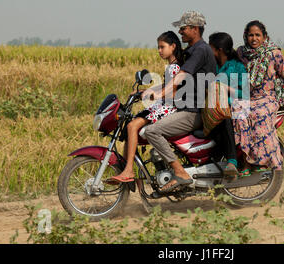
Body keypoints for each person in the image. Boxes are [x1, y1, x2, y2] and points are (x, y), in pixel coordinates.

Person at [143, 11, 217, 193]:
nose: (181, 31)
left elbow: (180, 78)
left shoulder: (200, 50)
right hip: (186, 108)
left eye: (183, 28)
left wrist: (160, 95)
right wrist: (149, 92)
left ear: (195, 29)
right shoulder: (191, 51)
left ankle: (180, 172)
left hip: (194, 111)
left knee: (151, 131)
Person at [106, 31, 184, 184]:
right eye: (158, 47)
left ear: (173, 46)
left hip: (170, 107)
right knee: (130, 127)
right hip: (164, 105)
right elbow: (165, 86)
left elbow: (172, 92)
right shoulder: (172, 66)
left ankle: (128, 170)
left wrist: (152, 95)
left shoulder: (175, 67)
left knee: (133, 125)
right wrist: (144, 91)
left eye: (162, 47)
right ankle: (127, 168)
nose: (159, 50)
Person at [233, 20, 284, 175]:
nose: (254, 38)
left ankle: (262, 162)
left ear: (264, 37)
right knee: (238, 113)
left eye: (257, 35)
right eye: (251, 35)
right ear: (245, 36)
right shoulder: (241, 53)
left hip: (266, 98)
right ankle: (244, 162)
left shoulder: (274, 53)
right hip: (246, 97)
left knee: (259, 115)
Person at [206, 32, 247, 178]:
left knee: (224, 116)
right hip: (212, 107)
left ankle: (232, 161)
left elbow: (244, 93)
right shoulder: (212, 66)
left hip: (232, 108)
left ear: (220, 50)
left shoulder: (237, 67)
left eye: (210, 47)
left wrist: (224, 88)